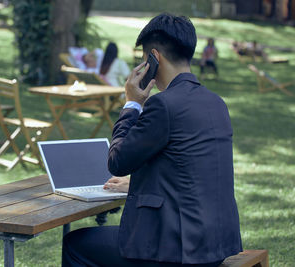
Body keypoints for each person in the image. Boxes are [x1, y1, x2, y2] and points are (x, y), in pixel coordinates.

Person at [62, 13, 242, 267]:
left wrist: (132, 103)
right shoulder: (215, 102)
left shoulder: (163, 104)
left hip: (177, 250)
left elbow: (117, 161)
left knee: (76, 245)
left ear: (153, 58)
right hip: (216, 245)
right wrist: (137, 183)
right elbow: (188, 166)